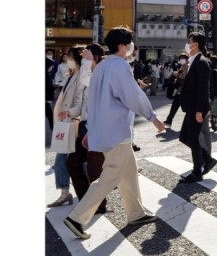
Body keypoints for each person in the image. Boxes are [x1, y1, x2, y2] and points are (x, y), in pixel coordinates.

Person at [63, 26, 165, 240]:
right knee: (109, 177)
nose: (131, 47)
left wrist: (91, 129)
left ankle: (135, 213)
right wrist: (152, 117)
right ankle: (77, 218)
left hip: (105, 130)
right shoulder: (120, 66)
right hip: (116, 130)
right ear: (122, 46)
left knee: (128, 173)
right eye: (129, 43)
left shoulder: (101, 67)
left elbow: (92, 100)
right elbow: (133, 95)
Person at [66, 43, 108, 214]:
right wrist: (69, 112)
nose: (83, 60)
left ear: (95, 58)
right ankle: (86, 200)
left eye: (87, 57)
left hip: (97, 128)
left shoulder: (101, 75)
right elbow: (83, 104)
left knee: (94, 169)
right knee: (73, 163)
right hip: (82, 126)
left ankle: (99, 204)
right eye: (82, 58)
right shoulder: (85, 76)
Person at [177, 32, 217, 183]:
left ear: (196, 44)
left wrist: (201, 110)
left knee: (193, 139)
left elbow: (203, 89)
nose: (187, 44)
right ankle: (207, 159)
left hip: (196, 108)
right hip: (191, 107)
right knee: (185, 137)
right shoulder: (194, 61)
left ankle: (197, 172)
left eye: (189, 41)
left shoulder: (201, 62)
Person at [48, 45, 84, 208]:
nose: (67, 60)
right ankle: (68, 192)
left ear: (77, 59)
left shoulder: (80, 77)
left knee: (62, 160)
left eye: (70, 57)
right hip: (66, 123)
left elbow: (80, 102)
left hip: (72, 123)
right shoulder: (72, 75)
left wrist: (70, 114)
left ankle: (65, 193)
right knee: (72, 160)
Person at [164, 53, 189, 129]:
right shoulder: (182, 66)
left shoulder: (188, 66)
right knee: (174, 105)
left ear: (186, 59)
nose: (181, 60)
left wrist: (177, 74)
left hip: (185, 91)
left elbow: (184, 76)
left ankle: (189, 124)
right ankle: (169, 120)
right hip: (179, 90)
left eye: (183, 58)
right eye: (180, 59)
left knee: (187, 108)